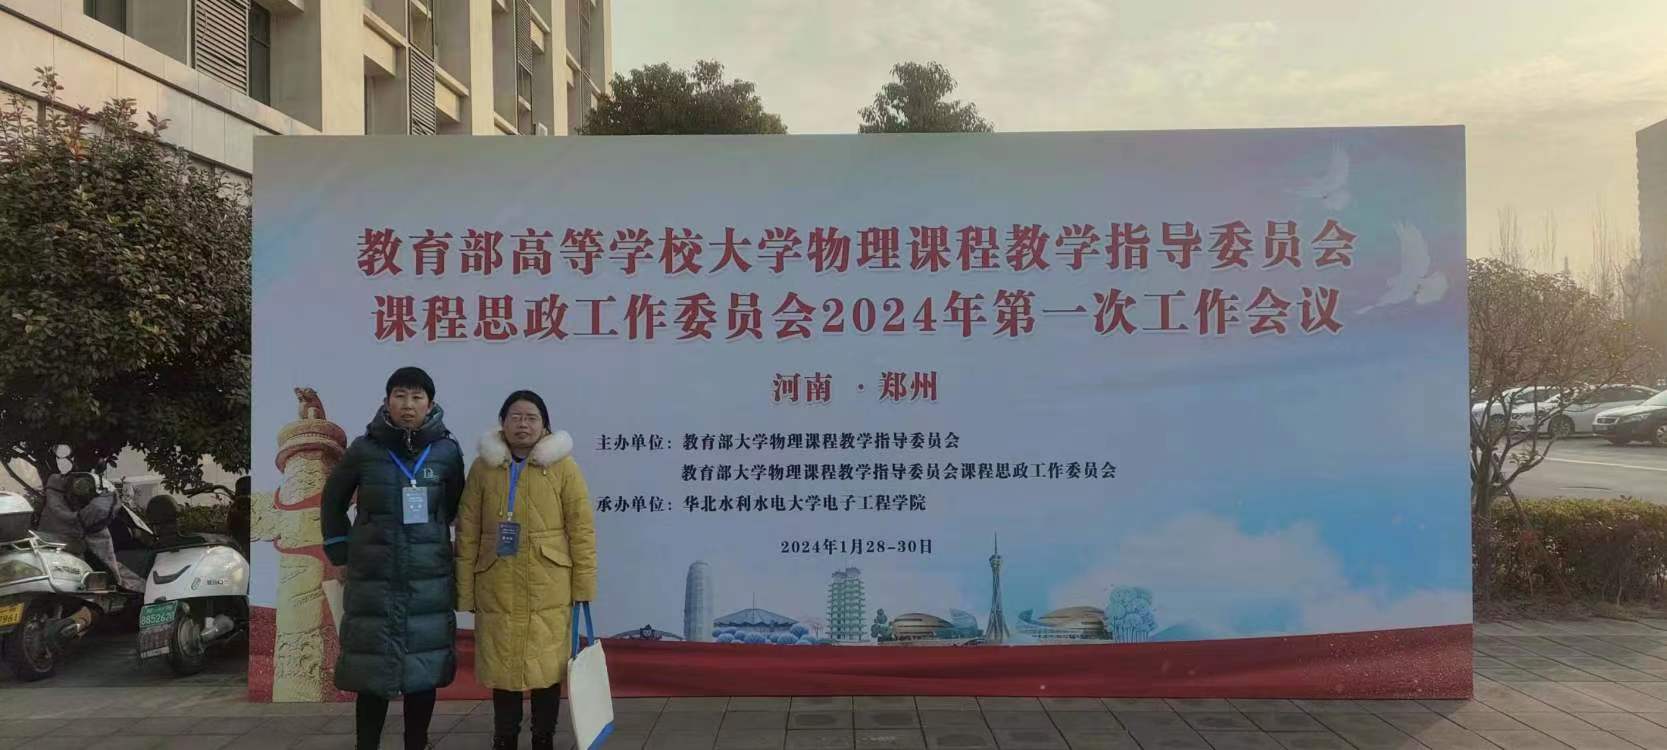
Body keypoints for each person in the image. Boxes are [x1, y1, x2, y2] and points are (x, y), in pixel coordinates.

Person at [321, 367, 465, 750]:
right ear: (387, 401)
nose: (408, 405)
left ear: (430, 404)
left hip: (426, 577)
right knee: (372, 669)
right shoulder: (364, 450)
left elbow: (452, 505)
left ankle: (417, 743)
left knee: (422, 668)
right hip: (373, 576)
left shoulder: (447, 452)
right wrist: (340, 553)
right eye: (400, 396)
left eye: (417, 397)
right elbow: (332, 502)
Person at [457, 390, 597, 750]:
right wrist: (465, 591)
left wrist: (583, 585)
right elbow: (468, 531)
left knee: (547, 671)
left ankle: (542, 738)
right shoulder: (483, 467)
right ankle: (504, 738)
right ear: (502, 423)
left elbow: (581, 529)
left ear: (545, 425)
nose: (523, 424)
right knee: (503, 670)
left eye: (532, 418)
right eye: (515, 417)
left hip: (548, 584)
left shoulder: (563, 467)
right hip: (496, 582)